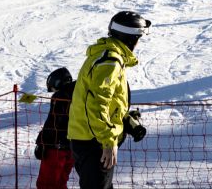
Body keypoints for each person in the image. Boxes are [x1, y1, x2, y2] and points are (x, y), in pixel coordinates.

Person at [68, 11, 151, 189]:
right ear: (130, 39)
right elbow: (97, 104)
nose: (137, 44)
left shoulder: (106, 56)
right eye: (138, 38)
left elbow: (107, 101)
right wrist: (107, 141)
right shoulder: (110, 62)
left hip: (89, 137)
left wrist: (124, 117)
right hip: (95, 141)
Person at [35, 67, 76, 189]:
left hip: (56, 149)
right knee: (60, 183)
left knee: (46, 184)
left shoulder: (60, 96)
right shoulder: (80, 93)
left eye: (53, 88)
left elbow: (53, 123)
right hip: (73, 147)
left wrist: (42, 143)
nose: (53, 91)